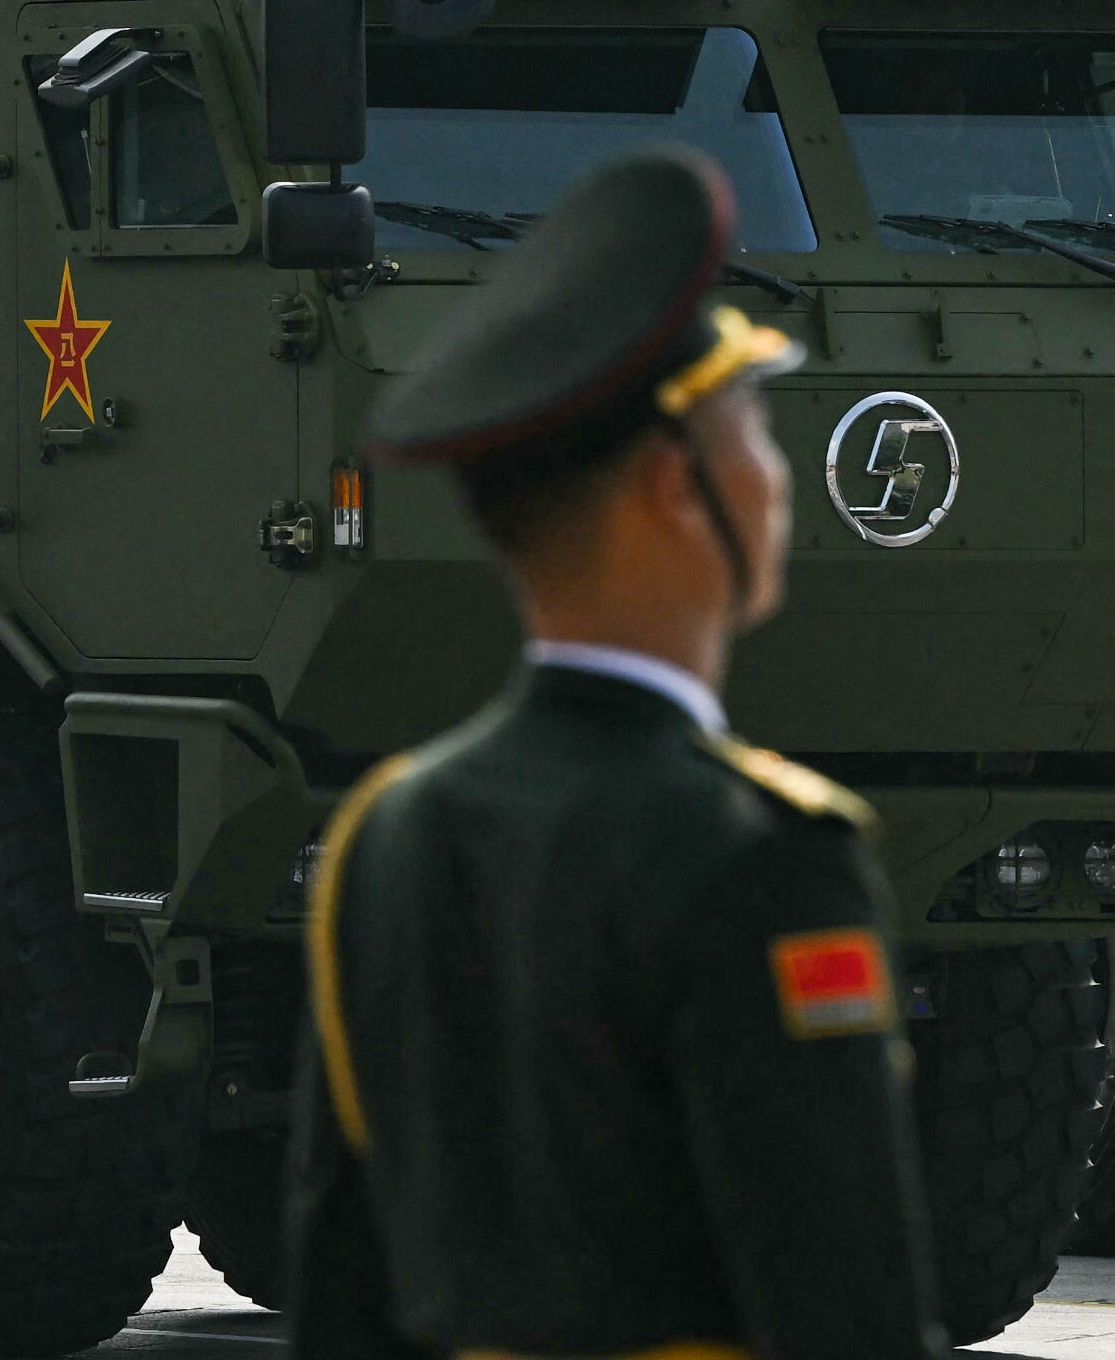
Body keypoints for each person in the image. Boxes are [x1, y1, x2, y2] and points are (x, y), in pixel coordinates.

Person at [289, 146, 932, 1360]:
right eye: (753, 437)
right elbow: (841, 1304)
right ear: (666, 490)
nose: (777, 479)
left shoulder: (389, 832)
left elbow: (343, 1288)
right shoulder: (763, 854)